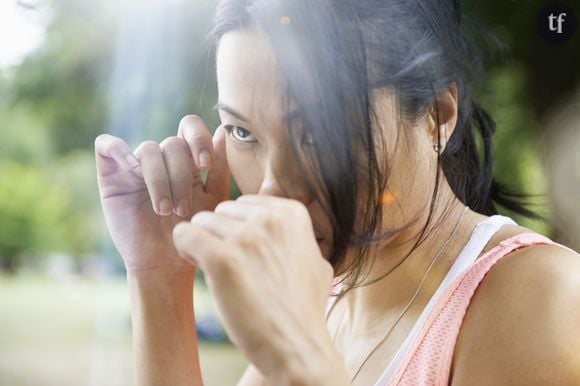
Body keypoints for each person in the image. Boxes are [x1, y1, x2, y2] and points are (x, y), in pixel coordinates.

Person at [95, 0, 580, 385]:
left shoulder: (542, 298)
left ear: (437, 115)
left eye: (320, 135)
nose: (272, 187)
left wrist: (301, 360)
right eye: (243, 132)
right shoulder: (327, 293)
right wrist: (159, 275)